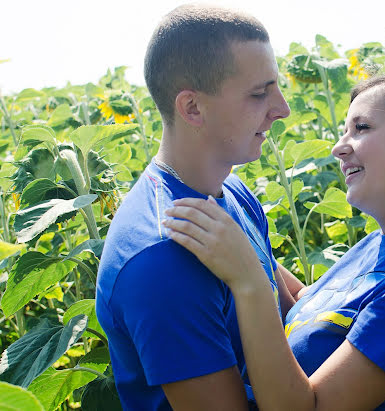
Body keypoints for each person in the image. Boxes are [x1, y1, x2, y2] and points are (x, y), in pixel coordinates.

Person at [162, 66, 385, 410]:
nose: (339, 148)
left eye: (361, 128)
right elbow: (309, 317)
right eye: (343, 130)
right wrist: (241, 234)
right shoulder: (380, 244)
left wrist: (249, 281)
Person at [95, 5, 296, 410]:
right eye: (259, 93)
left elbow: (292, 310)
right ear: (192, 108)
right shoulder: (162, 258)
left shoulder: (232, 192)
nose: (281, 108)